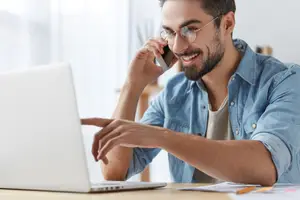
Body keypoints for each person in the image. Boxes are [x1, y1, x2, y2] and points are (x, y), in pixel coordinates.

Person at [81, 0, 300, 186]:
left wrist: (163, 137)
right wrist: (132, 85)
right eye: (169, 32)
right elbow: (115, 172)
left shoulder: (285, 81)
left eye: (189, 30)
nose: (177, 46)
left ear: (227, 23)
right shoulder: (175, 93)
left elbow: (266, 165)